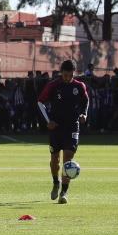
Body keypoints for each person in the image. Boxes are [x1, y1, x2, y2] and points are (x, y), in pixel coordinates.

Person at [37, 59, 89, 204]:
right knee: (55, 159)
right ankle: (55, 182)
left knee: (68, 158)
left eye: (70, 75)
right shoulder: (53, 85)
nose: (67, 77)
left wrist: (84, 114)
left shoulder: (79, 86)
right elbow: (40, 102)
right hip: (56, 127)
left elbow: (86, 101)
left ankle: (64, 193)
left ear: (74, 73)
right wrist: (48, 121)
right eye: (65, 75)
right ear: (61, 73)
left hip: (72, 126)